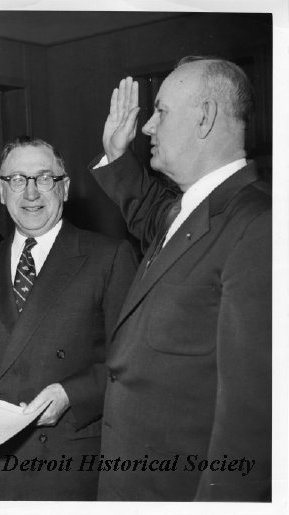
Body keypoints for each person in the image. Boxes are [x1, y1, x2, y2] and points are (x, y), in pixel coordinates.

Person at [90, 57, 271, 501]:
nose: (147, 127)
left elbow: (252, 423)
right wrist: (116, 154)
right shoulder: (192, 208)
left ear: (205, 117)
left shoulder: (260, 227)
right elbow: (150, 215)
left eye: (161, 112)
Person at [0, 136, 137, 500]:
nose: (31, 193)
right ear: (2, 193)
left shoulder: (108, 257)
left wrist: (71, 393)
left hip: (71, 457)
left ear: (65, 188)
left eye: (44, 178)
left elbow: (132, 362)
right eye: (18, 180)